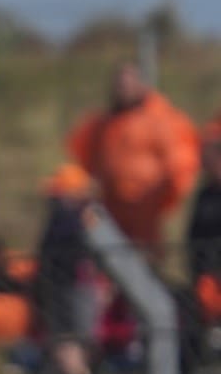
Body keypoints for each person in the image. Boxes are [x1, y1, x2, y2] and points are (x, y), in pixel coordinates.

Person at [64, 60, 201, 252]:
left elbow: (180, 163)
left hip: (145, 208)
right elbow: (83, 153)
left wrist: (165, 197)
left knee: (145, 258)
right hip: (110, 206)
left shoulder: (161, 119)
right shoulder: (103, 123)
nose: (123, 90)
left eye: (128, 84)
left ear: (142, 85)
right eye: (119, 85)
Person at [32, 165, 101, 348]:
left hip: (76, 286)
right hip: (59, 285)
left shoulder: (78, 216)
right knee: (63, 339)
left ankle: (85, 372)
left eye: (57, 194)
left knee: (80, 337)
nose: (52, 199)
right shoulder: (63, 216)